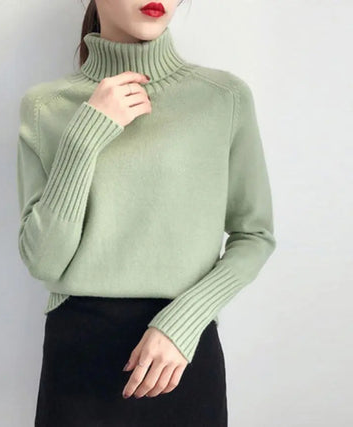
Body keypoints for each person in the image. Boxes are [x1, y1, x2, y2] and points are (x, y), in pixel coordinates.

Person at [16, 0, 276, 425]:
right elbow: (43, 261)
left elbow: (255, 236)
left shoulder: (222, 98)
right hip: (78, 355)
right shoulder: (45, 106)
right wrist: (85, 136)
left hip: (180, 353)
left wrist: (184, 322)